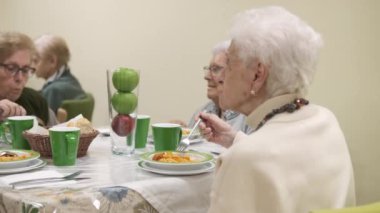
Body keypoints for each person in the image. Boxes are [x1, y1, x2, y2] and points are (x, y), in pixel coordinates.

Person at [198, 6, 355, 213]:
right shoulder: (326, 120)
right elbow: (287, 163)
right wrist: (234, 138)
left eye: (229, 62)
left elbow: (257, 158)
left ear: (257, 75)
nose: (219, 75)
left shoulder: (242, 160)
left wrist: (240, 150)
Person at [172, 41, 252, 134]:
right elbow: (189, 145)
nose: (207, 77)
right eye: (208, 69)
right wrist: (178, 134)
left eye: (215, 69)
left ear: (235, 73)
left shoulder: (250, 116)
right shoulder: (204, 111)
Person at [0, 31, 56, 126]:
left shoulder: (36, 101)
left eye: (25, 70)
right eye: (11, 68)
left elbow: (56, 136)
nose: (20, 78)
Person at [33, 34, 85, 113]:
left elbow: (44, 124)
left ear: (52, 61)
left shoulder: (53, 91)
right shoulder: (73, 81)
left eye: (35, 61)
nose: (32, 65)